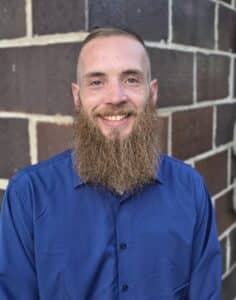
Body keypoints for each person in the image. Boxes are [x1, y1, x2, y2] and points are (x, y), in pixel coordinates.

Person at [0, 27, 221, 300]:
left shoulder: (191, 190)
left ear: (152, 94)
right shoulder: (29, 196)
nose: (115, 97)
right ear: (76, 96)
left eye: (130, 79)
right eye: (96, 82)